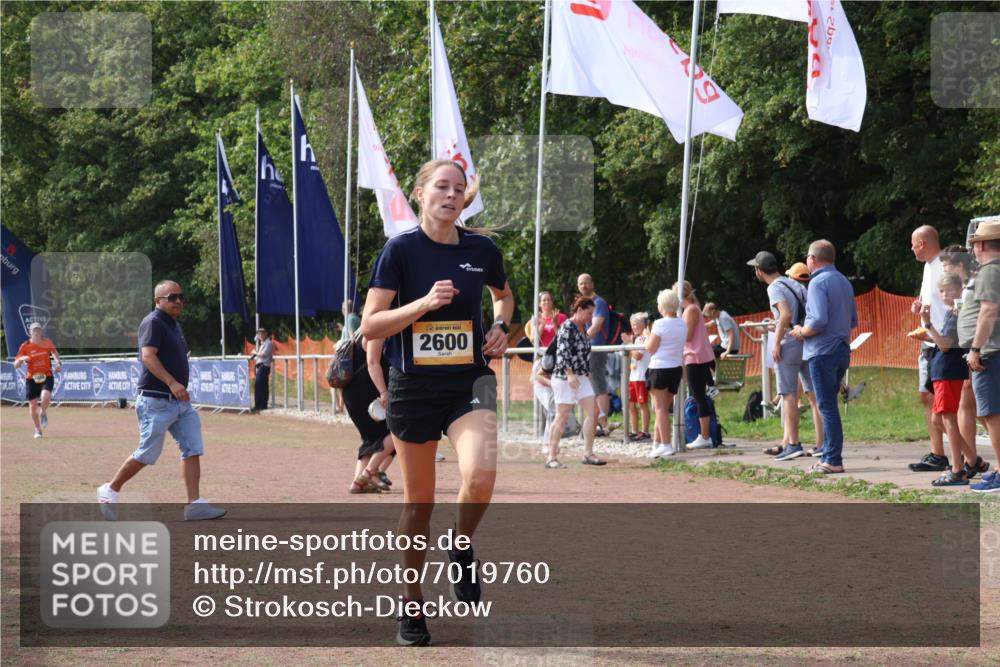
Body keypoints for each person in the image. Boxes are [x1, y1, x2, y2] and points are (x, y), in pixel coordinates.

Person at [360, 159, 514, 646]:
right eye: (441, 187)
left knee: (482, 476)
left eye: (459, 189)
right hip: (414, 388)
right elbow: (370, 324)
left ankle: (461, 544)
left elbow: (505, 298)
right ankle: (411, 605)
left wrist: (500, 326)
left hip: (470, 380)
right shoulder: (400, 250)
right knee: (418, 504)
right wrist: (423, 304)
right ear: (421, 193)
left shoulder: (481, 249)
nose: (451, 195)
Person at [96, 281, 226, 521]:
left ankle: (194, 504)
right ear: (158, 301)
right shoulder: (153, 322)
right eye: (171, 297)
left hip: (179, 402)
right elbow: (148, 356)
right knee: (147, 453)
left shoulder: (173, 324)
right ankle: (110, 489)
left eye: (181, 296)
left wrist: (178, 388)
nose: (178, 301)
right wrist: (172, 383)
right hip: (156, 400)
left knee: (193, 448)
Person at [791, 240, 858, 474]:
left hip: (821, 350)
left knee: (826, 407)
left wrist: (801, 331)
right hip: (841, 348)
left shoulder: (818, 282)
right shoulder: (844, 281)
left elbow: (818, 320)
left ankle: (832, 459)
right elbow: (853, 321)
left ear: (812, 259)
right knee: (829, 406)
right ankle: (829, 455)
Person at [748, 251, 821, 461]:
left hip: (789, 342)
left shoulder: (774, 288)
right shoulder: (794, 283)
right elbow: (798, 314)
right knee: (813, 395)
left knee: (788, 394)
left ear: (759, 271)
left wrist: (777, 341)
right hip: (805, 340)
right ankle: (821, 444)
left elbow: (785, 314)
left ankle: (793, 443)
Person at [920, 272, 988, 485]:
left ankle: (958, 469)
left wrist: (927, 324)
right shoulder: (953, 312)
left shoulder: (957, 312)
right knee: (938, 418)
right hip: (944, 370)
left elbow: (945, 345)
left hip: (948, 370)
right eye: (942, 290)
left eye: (950, 289)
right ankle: (972, 459)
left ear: (960, 291)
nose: (945, 294)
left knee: (947, 418)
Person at [957, 218, 1000, 493]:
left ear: (982, 244)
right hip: (993, 350)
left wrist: (975, 348)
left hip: (991, 352)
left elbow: (988, 310)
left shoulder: (990, 270)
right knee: (989, 416)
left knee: (992, 416)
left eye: (974, 244)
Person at [546, 296, 605, 468]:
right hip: (565, 376)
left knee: (594, 412)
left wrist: (583, 373)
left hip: (581, 376)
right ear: (579, 310)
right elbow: (563, 352)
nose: (590, 317)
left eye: (592, 314)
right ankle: (551, 457)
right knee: (562, 416)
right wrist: (570, 374)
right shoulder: (567, 326)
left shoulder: (583, 328)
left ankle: (588, 453)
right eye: (588, 313)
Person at [907, 225, 949, 473]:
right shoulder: (927, 267)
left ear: (922, 244)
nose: (911, 248)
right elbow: (929, 300)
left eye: (913, 243)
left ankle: (967, 454)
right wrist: (919, 306)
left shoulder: (946, 265)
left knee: (952, 405)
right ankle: (938, 454)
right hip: (928, 339)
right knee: (927, 395)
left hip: (943, 342)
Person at [342, 334, 396, 493]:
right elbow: (372, 362)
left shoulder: (360, 329)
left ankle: (358, 483)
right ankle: (368, 473)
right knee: (399, 430)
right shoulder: (377, 329)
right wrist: (384, 392)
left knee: (371, 439)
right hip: (366, 394)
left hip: (356, 393)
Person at [941, 245, 980, 451]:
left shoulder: (975, 283)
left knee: (977, 406)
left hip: (977, 347)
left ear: (960, 264)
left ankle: (970, 457)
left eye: (948, 265)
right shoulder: (964, 285)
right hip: (966, 347)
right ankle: (969, 456)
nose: (945, 270)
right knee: (966, 402)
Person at [644, 290, 687, 458]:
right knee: (662, 408)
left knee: (659, 408)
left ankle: (666, 444)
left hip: (660, 367)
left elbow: (650, 348)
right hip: (675, 367)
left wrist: (648, 336)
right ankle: (657, 443)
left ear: (662, 306)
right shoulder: (682, 324)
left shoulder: (660, 324)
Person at [676, 280, 716, 449]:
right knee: (696, 394)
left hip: (695, 356)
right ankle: (703, 434)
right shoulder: (691, 308)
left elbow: (689, 335)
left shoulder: (691, 309)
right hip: (694, 355)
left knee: (698, 396)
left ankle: (705, 435)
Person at [576, 273, 614, 436]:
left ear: (592, 283)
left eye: (586, 283)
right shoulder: (583, 304)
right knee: (590, 387)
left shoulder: (599, 303)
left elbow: (596, 326)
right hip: (587, 350)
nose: (583, 286)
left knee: (598, 386)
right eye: (580, 284)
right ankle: (595, 422)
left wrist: (580, 342)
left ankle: (603, 424)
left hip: (597, 349)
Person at [14, 322, 61, 439]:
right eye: (34, 330)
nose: (36, 332)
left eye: (38, 330)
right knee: (33, 405)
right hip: (32, 378)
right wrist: (22, 359)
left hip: (46, 375)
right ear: (30, 332)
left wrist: (58, 363)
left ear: (41, 332)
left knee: (45, 397)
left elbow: (54, 352)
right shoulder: (25, 346)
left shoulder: (47, 342)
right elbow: (16, 364)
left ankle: (43, 412)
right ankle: (37, 430)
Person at [623, 312, 651, 442]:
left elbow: (638, 356)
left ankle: (645, 431)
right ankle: (634, 430)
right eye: (632, 325)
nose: (633, 327)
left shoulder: (644, 339)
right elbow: (631, 355)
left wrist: (628, 344)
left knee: (642, 404)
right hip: (633, 376)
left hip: (641, 376)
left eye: (635, 324)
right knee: (631, 404)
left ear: (642, 325)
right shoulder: (636, 339)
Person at [250, 327, 273, 411]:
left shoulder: (269, 343)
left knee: (259, 384)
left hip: (264, 366)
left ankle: (260, 404)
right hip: (260, 366)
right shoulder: (262, 344)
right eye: (259, 333)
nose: (260, 335)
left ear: (266, 333)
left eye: (262, 333)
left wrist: (255, 352)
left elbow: (263, 354)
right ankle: (261, 404)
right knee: (261, 385)